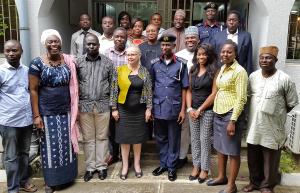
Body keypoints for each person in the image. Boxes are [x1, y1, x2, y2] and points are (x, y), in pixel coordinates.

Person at [29, 29, 79, 193]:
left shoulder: (68, 61)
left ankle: (66, 178)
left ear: (60, 43)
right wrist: (36, 115)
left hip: (66, 111)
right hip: (46, 112)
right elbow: (33, 90)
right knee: (49, 147)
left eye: (56, 41)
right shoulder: (37, 63)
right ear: (45, 44)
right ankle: (50, 181)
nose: (53, 44)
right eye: (50, 42)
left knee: (66, 145)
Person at [243, 46, 299, 193]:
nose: (264, 60)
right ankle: (254, 183)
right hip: (254, 125)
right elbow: (248, 97)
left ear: (276, 60)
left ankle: (267, 185)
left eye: (268, 58)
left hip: (273, 127)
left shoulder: (284, 79)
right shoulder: (253, 76)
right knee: (253, 157)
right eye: (262, 58)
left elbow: (292, 102)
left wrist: (278, 113)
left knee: (271, 159)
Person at [206, 39, 248, 193]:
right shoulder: (223, 68)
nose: (225, 54)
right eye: (223, 51)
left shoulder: (240, 71)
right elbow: (218, 90)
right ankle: (221, 177)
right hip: (218, 112)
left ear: (235, 53)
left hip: (231, 114)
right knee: (220, 148)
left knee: (232, 151)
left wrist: (233, 120)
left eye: (229, 51)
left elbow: (241, 98)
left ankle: (231, 185)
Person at [110, 46, 152, 180]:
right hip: (123, 110)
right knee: (124, 139)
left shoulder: (144, 71)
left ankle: (137, 164)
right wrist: (114, 109)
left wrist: (149, 109)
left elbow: (148, 91)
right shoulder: (119, 70)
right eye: (128, 55)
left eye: (133, 54)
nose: (130, 57)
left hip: (139, 110)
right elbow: (114, 90)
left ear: (139, 56)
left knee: (138, 139)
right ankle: (125, 165)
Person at [0, 40, 37, 193]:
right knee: (11, 156)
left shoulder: (27, 70)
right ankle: (13, 189)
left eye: (14, 50)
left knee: (24, 153)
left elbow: (31, 92)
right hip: (9, 122)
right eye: (8, 51)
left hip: (26, 120)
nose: (11, 53)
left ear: (21, 51)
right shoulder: (1, 72)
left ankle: (23, 181)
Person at [151, 34, 189, 181]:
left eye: (168, 45)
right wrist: (151, 107)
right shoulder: (155, 64)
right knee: (160, 138)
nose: (165, 47)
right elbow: (152, 86)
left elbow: (185, 88)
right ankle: (163, 164)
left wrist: (182, 110)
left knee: (174, 139)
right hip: (159, 107)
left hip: (174, 109)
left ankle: (172, 167)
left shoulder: (181, 64)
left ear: (174, 46)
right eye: (163, 45)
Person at [76, 33, 114, 181]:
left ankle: (102, 166)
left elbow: (113, 86)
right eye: (89, 44)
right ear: (85, 45)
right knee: (88, 139)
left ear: (99, 45)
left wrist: (113, 106)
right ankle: (90, 168)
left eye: (94, 44)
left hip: (103, 105)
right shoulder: (78, 62)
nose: (91, 46)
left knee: (102, 137)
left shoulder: (107, 63)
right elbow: (75, 85)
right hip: (84, 106)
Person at [186, 43, 218, 183]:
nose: (201, 56)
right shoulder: (193, 70)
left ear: (209, 55)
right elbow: (189, 91)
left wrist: (200, 109)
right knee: (194, 140)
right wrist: (189, 109)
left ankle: (205, 169)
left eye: (204, 54)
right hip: (193, 111)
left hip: (207, 111)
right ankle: (196, 166)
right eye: (199, 54)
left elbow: (214, 93)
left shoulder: (214, 71)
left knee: (204, 140)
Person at [175, 26, 200, 169]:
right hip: (183, 96)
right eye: (188, 38)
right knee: (184, 128)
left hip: (200, 96)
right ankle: (182, 156)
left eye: (193, 38)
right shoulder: (179, 55)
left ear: (198, 40)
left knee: (198, 129)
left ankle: (199, 159)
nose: (190, 40)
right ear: (185, 40)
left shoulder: (203, 53)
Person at [105, 27, 128, 165]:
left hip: (128, 95)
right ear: (113, 37)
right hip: (110, 94)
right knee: (112, 126)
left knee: (125, 125)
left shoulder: (130, 53)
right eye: (117, 36)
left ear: (126, 38)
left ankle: (126, 155)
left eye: (122, 37)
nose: (119, 39)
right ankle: (113, 154)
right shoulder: (106, 53)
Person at [213, 10, 253, 75]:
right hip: (221, 72)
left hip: (239, 73)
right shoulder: (217, 36)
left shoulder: (246, 36)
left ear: (239, 22)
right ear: (226, 22)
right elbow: (213, 57)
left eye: (234, 20)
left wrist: (249, 75)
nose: (231, 22)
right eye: (229, 20)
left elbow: (249, 58)